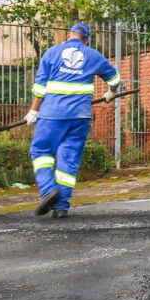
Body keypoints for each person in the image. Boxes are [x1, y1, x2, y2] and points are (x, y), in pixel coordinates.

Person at [26, 23, 122, 218]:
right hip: (80, 116)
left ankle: (48, 190)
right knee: (68, 159)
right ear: (86, 39)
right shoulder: (93, 55)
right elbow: (115, 80)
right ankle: (61, 206)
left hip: (52, 115)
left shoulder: (51, 53)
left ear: (68, 36)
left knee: (41, 151)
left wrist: (33, 111)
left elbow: (40, 88)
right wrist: (110, 93)